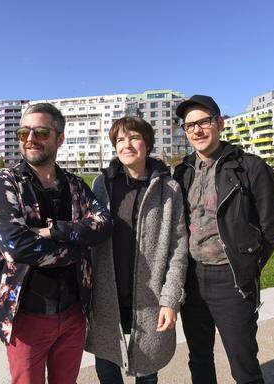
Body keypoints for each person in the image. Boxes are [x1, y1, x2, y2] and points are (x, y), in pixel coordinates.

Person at [0, 103, 113, 384]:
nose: (30, 139)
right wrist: (78, 247)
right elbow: (18, 246)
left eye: (40, 132)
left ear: (59, 138)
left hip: (73, 313)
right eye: (24, 133)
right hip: (27, 317)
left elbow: (104, 224)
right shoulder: (6, 184)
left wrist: (55, 232)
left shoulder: (75, 185)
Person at [172, 95, 274, 384]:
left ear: (219, 123)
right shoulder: (182, 171)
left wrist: (248, 265)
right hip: (192, 279)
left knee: (243, 361)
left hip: (231, 278)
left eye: (203, 122)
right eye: (189, 126)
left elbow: (272, 228)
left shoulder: (251, 168)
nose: (196, 130)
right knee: (198, 357)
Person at [86, 116, 188, 383]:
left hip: (149, 299)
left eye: (133, 137)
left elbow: (178, 249)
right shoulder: (102, 186)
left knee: (147, 370)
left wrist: (170, 299)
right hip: (107, 296)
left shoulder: (169, 189)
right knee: (107, 369)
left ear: (147, 143)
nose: (126, 145)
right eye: (120, 140)